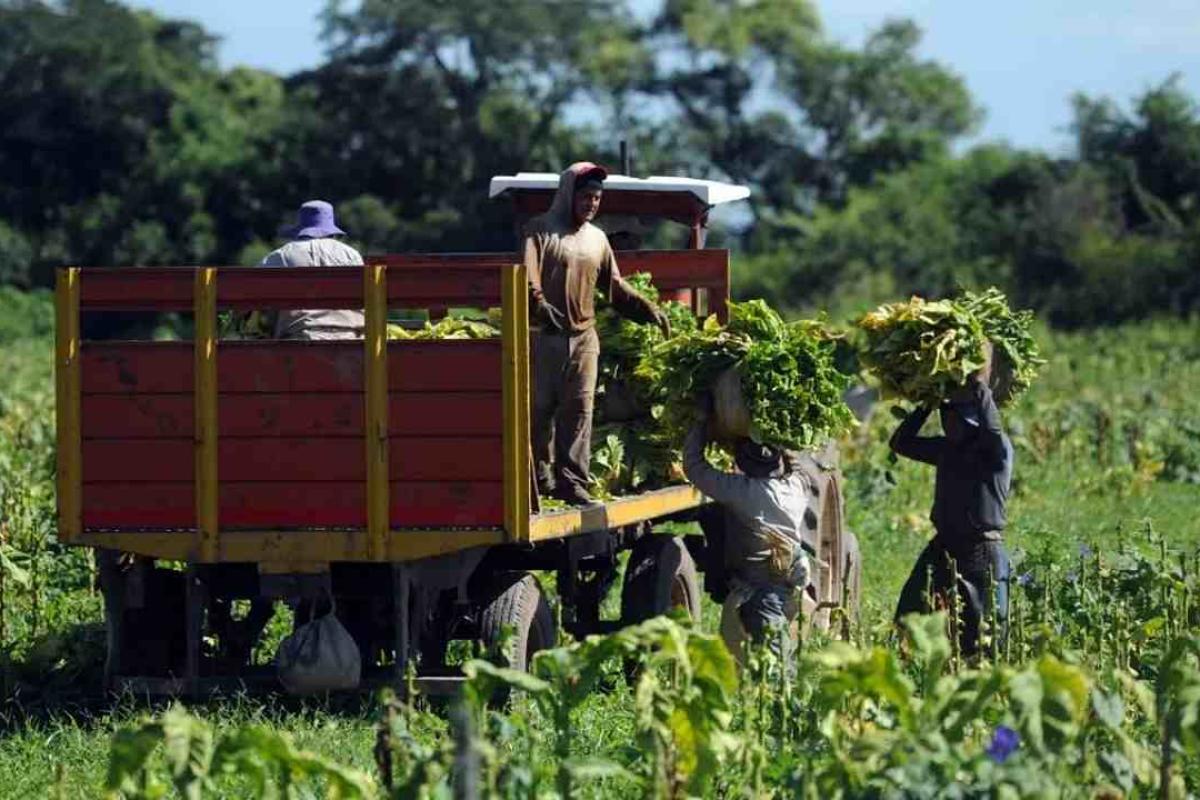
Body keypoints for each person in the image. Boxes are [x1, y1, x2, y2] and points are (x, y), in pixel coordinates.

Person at [522, 162, 672, 506]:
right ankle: (538, 480)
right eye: (585, 196)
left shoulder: (598, 239)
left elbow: (614, 286)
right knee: (539, 411)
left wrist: (647, 308)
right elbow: (528, 275)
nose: (591, 203)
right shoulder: (540, 230)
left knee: (579, 411)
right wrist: (539, 302)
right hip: (545, 337)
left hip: (584, 338)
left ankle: (572, 482)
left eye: (596, 198)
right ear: (568, 195)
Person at [891, 349, 1012, 657]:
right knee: (910, 612)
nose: (948, 425)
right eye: (946, 418)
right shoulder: (947, 450)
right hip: (944, 545)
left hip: (979, 550)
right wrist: (926, 405)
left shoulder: (994, 452)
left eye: (954, 419)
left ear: (971, 423)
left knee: (982, 631)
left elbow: (993, 430)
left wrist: (980, 386)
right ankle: (916, 667)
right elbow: (900, 443)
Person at [682, 402, 812, 662]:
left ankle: (781, 686)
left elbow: (695, 467)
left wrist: (699, 423)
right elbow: (798, 469)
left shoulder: (743, 491)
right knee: (767, 646)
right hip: (788, 583)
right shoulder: (795, 487)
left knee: (772, 656)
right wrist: (780, 440)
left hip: (761, 588)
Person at [258, 200, 365, 340]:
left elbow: (255, 295)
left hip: (299, 337)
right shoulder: (351, 255)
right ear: (332, 230)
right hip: (349, 337)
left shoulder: (281, 255)